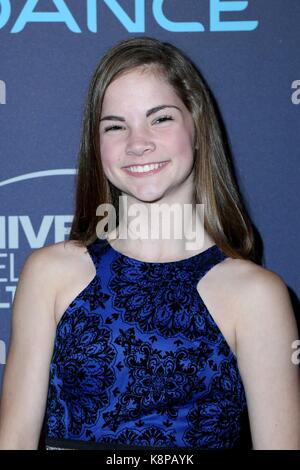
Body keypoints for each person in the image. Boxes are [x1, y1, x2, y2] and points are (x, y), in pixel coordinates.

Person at [0, 36, 299, 451]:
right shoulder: (51, 275)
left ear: (197, 125)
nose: (137, 142)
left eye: (160, 119)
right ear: (97, 143)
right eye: (115, 126)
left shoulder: (257, 296)